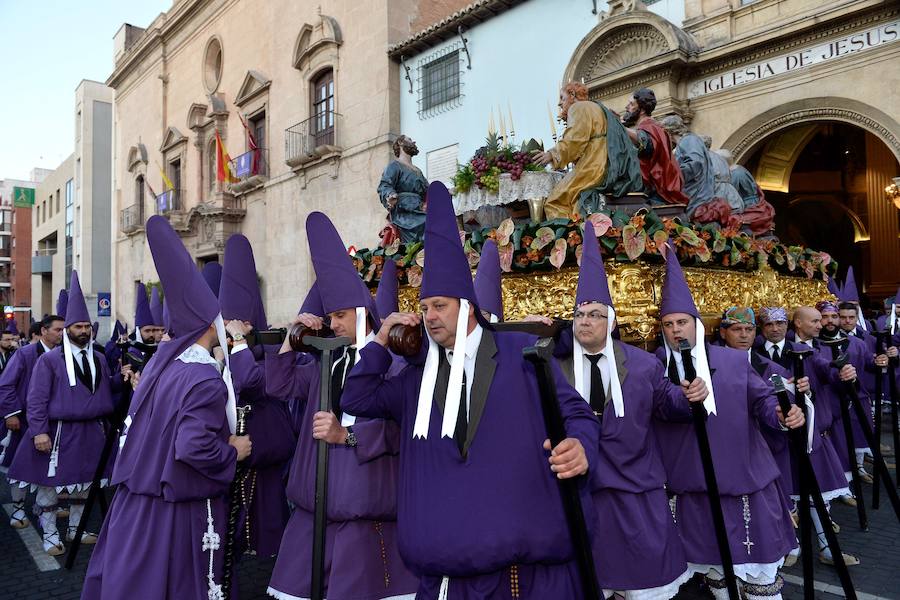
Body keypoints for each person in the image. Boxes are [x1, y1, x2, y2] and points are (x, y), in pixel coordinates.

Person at [342, 182, 600, 598]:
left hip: (523, 574)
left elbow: (579, 416)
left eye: (439, 306)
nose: (429, 317)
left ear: (467, 306)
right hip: (448, 576)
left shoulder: (522, 354)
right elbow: (355, 399)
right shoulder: (416, 380)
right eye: (424, 308)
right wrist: (382, 338)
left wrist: (581, 447)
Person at [83, 215, 249, 599]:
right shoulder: (204, 378)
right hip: (178, 512)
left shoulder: (163, 366)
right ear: (212, 325)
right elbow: (193, 446)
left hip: (137, 508)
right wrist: (232, 450)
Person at [543, 221, 703, 598]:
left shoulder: (644, 365)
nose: (585, 321)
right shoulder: (554, 367)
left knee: (646, 586)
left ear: (611, 321)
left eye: (595, 314)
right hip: (582, 497)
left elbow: (668, 404)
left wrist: (690, 396)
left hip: (637, 496)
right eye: (580, 315)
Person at [265, 212, 418, 600]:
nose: (333, 324)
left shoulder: (395, 363)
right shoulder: (325, 361)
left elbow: (400, 428)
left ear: (363, 315)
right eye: (331, 316)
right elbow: (279, 384)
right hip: (314, 505)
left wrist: (346, 435)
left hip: (364, 502)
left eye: (340, 315)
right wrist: (291, 337)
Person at [653, 243, 802, 600]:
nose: (677, 331)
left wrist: (781, 414)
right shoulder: (653, 367)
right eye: (669, 324)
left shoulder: (734, 361)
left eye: (683, 323)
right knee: (717, 577)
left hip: (744, 484)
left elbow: (762, 398)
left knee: (758, 580)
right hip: (691, 491)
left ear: (698, 325)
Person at [7, 271, 118, 556]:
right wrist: (40, 431)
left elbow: (107, 391)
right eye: (78, 326)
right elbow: (36, 398)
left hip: (93, 431)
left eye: (86, 326)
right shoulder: (49, 360)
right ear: (67, 328)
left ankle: (76, 529)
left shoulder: (101, 359)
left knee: (84, 484)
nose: (84, 330)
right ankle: (50, 533)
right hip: (58, 432)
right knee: (49, 486)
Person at [219, 234, 295, 558]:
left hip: (264, 448)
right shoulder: (219, 354)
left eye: (234, 324)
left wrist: (238, 341)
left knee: (269, 524)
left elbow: (249, 379)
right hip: (229, 453)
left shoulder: (268, 353)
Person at [787, 306, 861, 566]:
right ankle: (791, 547)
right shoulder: (774, 348)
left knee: (818, 492)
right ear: (797, 323)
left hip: (813, 435)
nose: (821, 325)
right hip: (781, 438)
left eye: (822, 320)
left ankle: (827, 548)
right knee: (786, 497)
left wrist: (844, 376)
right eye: (815, 320)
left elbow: (828, 372)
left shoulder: (820, 349)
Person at [532, 82, 641, 219]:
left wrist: (552, 154)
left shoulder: (578, 107)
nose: (559, 104)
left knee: (556, 201)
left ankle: (571, 235)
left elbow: (575, 139)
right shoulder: (597, 107)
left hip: (595, 164)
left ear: (572, 95)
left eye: (562, 98)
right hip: (608, 162)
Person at [0, 315, 65, 530]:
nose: (62, 334)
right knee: (18, 466)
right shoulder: (24, 354)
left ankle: (43, 507)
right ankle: (18, 507)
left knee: (49, 466)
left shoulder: (65, 355)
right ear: (44, 331)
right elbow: (6, 385)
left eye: (64, 329)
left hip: (54, 422)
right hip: (24, 420)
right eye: (58, 330)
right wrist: (10, 414)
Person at [817, 300, 877, 484]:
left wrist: (882, 360)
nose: (831, 321)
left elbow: (870, 364)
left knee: (854, 440)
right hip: (829, 403)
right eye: (825, 317)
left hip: (855, 398)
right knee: (836, 445)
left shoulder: (857, 343)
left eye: (834, 316)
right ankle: (837, 483)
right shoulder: (814, 345)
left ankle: (856, 470)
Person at [622, 87, 690, 205]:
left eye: (631, 104)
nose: (627, 107)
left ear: (642, 109)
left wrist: (619, 126)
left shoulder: (651, 127)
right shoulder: (653, 127)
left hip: (656, 190)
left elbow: (645, 142)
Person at [378, 134, 428, 243]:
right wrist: (390, 195)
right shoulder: (394, 166)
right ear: (400, 143)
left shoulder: (417, 171)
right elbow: (385, 185)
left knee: (436, 221)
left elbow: (428, 191)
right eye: (409, 139)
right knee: (428, 222)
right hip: (404, 213)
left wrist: (445, 192)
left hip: (419, 209)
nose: (413, 142)